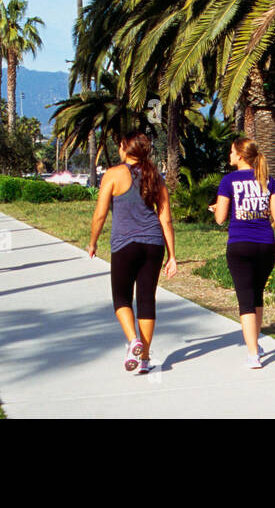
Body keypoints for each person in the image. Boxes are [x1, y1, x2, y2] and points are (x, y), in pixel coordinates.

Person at [86, 132, 177, 373]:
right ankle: (145, 359)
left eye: (120, 146)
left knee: (122, 298)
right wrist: (172, 256)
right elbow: (165, 219)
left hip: (125, 245)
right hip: (153, 245)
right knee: (147, 300)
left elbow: (100, 213)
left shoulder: (114, 174)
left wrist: (93, 242)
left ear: (126, 148)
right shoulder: (155, 176)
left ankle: (133, 340)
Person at [209, 136, 275, 369]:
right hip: (266, 246)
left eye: (231, 152)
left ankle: (253, 354)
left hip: (240, 246)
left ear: (241, 156)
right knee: (256, 295)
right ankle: (256, 344)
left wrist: (216, 208)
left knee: (245, 299)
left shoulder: (228, 181)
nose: (229, 156)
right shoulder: (268, 180)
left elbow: (220, 219)